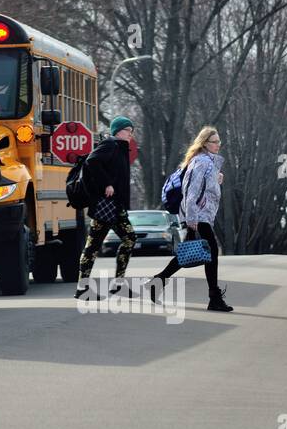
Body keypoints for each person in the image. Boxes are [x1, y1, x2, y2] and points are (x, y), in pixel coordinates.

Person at [147, 126, 233, 311]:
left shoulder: (207, 163)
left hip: (203, 216)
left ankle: (158, 281)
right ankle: (214, 297)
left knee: (186, 255)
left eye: (219, 141)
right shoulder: (201, 162)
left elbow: (204, 189)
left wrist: (215, 179)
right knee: (211, 253)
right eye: (214, 141)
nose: (218, 145)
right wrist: (192, 217)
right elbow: (191, 191)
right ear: (204, 143)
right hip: (197, 216)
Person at [74, 116, 140, 299]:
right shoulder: (110, 144)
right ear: (118, 131)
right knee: (93, 245)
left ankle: (117, 285)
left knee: (128, 239)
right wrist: (106, 184)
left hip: (115, 206)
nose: (130, 134)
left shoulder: (120, 148)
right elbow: (91, 161)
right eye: (128, 130)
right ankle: (83, 288)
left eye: (131, 130)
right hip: (106, 205)